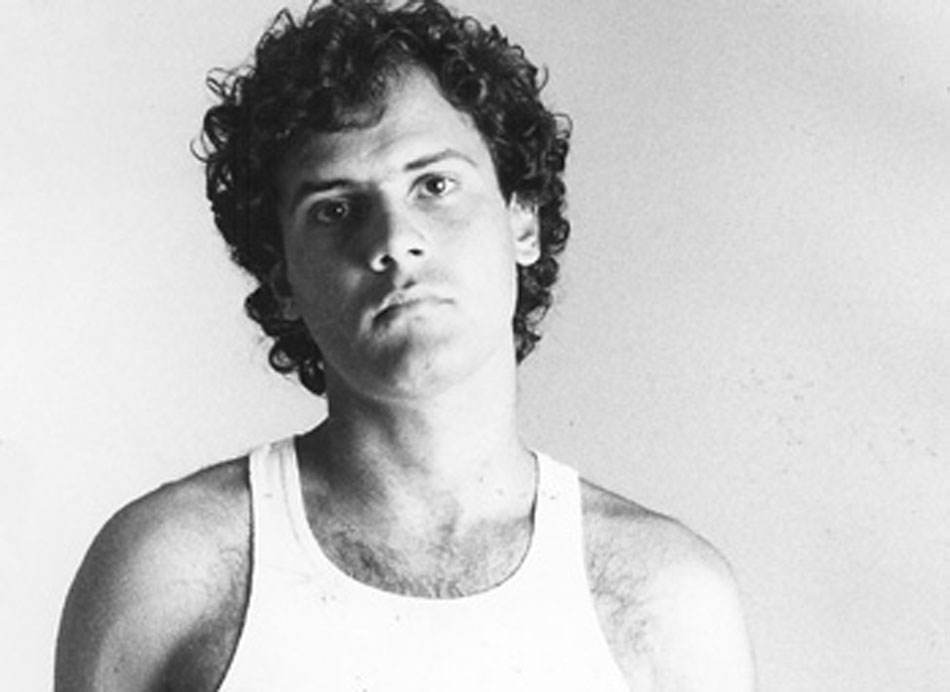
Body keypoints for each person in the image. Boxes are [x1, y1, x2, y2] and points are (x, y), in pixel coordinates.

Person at [55, 0, 755, 689]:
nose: (394, 240)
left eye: (435, 185)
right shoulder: (168, 572)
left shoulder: (667, 598)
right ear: (282, 275)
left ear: (523, 221)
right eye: (334, 209)